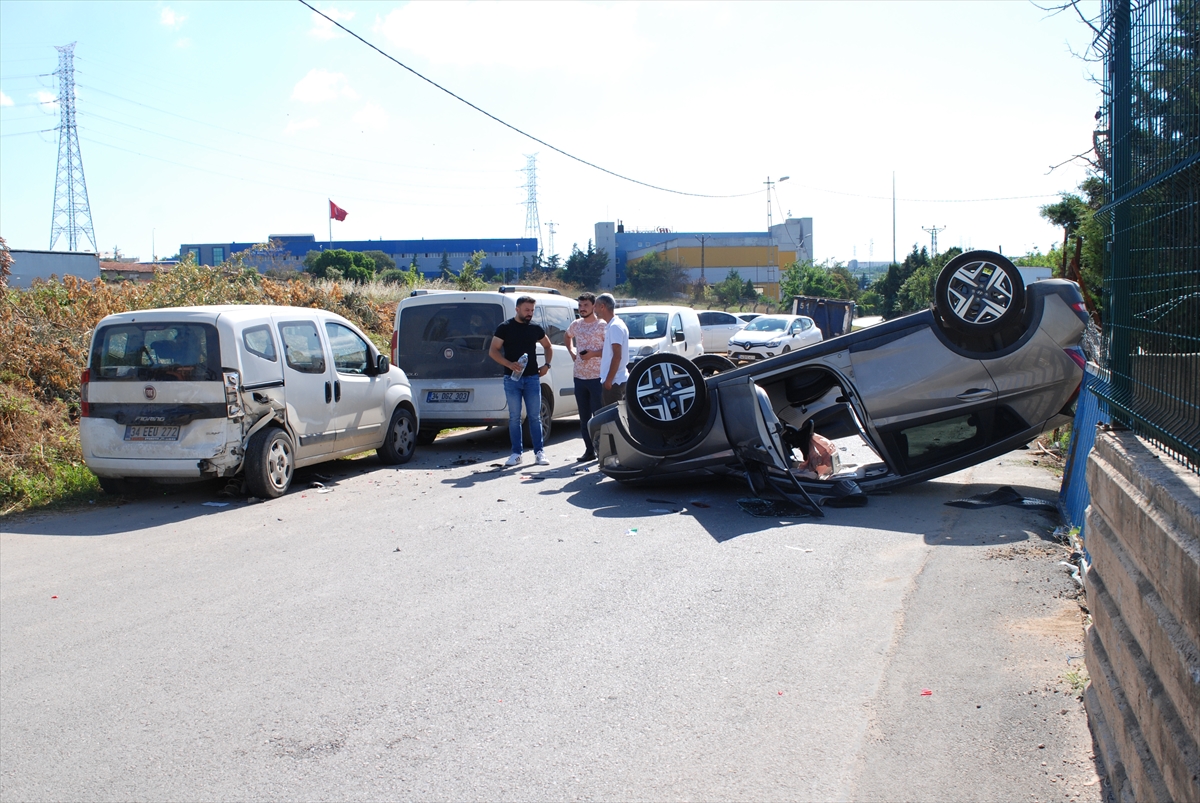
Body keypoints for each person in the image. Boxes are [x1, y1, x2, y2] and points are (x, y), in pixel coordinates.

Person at [488, 296, 552, 466]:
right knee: (514, 417)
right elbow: (493, 351)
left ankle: (539, 452)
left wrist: (547, 365)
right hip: (512, 379)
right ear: (517, 309)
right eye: (526, 310)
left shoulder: (535, 328)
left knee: (535, 417)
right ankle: (516, 453)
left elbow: (548, 345)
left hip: (532, 378)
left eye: (532, 310)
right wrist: (508, 364)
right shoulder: (505, 328)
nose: (530, 313)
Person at [564, 292, 606, 461]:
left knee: (599, 416)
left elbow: (610, 349)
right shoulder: (576, 324)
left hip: (597, 377)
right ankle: (589, 450)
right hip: (580, 377)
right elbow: (567, 336)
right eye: (580, 306)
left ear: (594, 306)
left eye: (586, 305)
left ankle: (603, 450)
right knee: (584, 417)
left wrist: (593, 354)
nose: (582, 309)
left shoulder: (602, 325)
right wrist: (572, 351)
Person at [596, 293, 629, 407]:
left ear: (602, 306)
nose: (594, 309)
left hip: (615, 381)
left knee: (613, 421)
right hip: (615, 380)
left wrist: (609, 380)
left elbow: (617, 356)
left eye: (595, 306)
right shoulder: (612, 325)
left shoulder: (615, 326)